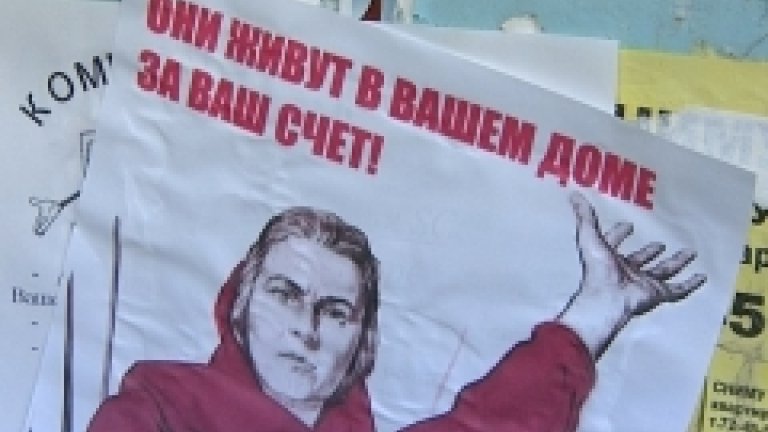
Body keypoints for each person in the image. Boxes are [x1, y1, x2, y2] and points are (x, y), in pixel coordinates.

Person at [87, 192, 705, 431]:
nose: (305, 330)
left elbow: (491, 425)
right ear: (241, 305)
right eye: (285, 294)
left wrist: (598, 311)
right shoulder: (160, 406)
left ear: (363, 342)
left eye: (335, 312)